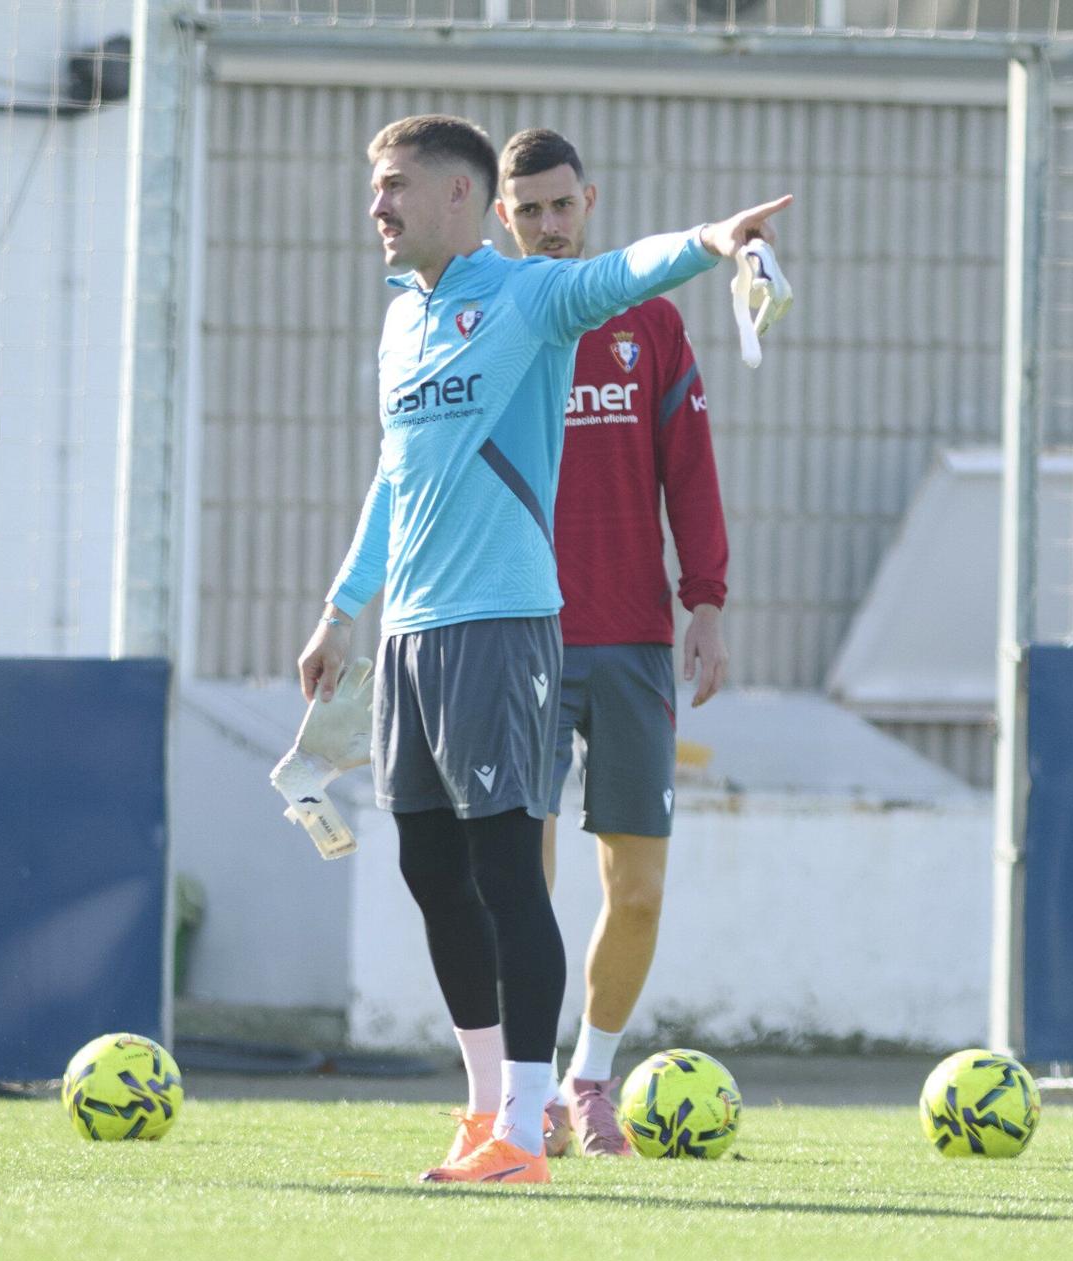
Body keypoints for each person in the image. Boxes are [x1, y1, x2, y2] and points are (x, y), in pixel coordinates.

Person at [296, 112, 786, 1185]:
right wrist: (342, 608)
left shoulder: (524, 298)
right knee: (431, 867)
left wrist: (710, 240)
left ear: (458, 197)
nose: (374, 207)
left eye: (393, 187)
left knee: (508, 869)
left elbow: (619, 273)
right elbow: (394, 477)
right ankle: (482, 1112)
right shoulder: (401, 323)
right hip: (411, 632)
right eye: (372, 189)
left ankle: (530, 1121)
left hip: (503, 626)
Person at [494, 128, 729, 1157]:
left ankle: (591, 1078)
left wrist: (705, 600)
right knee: (519, 883)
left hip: (633, 642)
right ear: (501, 217)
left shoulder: (651, 326)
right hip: (514, 637)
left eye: (561, 206)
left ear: (588, 202)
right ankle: (522, 1089)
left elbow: (690, 467)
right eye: (528, 210)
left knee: (634, 888)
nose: (547, 226)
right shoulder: (487, 324)